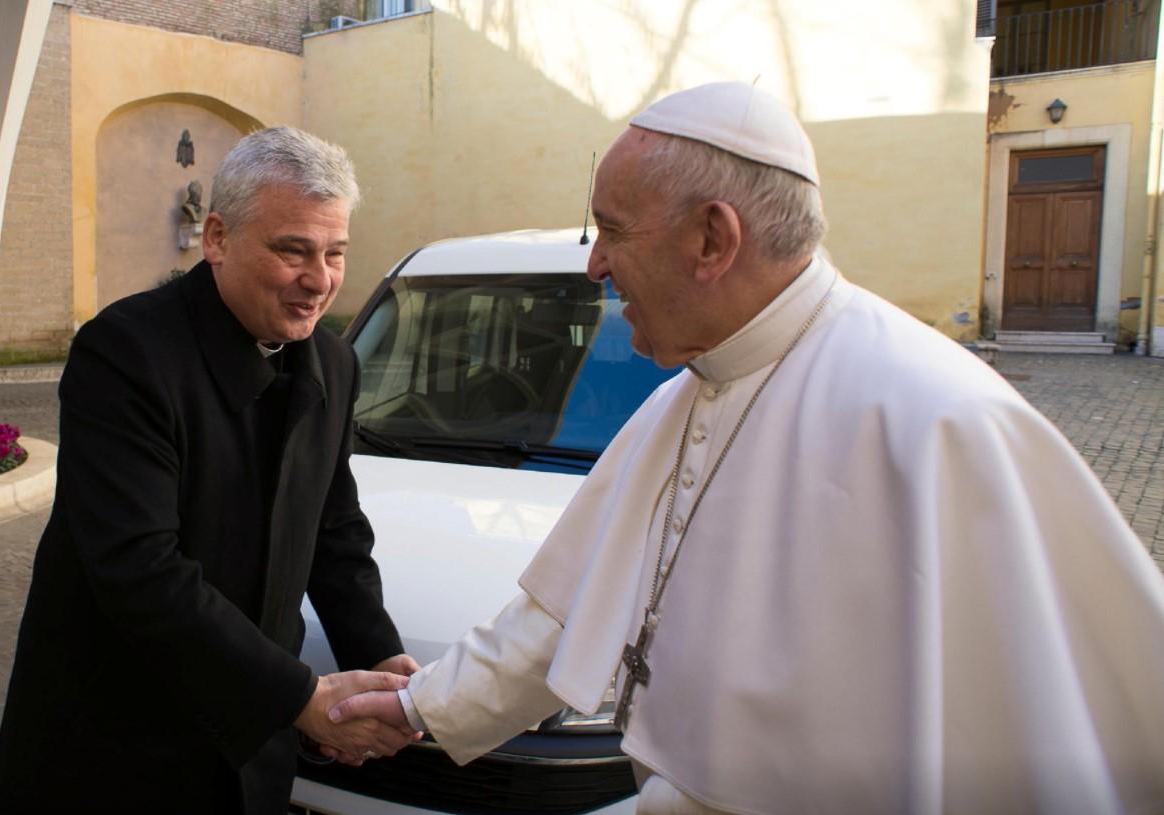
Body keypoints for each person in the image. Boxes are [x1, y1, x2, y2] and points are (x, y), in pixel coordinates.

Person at [328, 83, 1164, 814]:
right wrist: (417, 708)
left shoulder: (937, 418)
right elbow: (559, 616)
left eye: (611, 230)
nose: (596, 265)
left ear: (711, 239)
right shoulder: (678, 401)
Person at [0, 126, 419, 814]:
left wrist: (383, 659)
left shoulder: (334, 363)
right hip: (118, 747)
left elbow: (335, 531)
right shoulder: (125, 352)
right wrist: (299, 695)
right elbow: (138, 567)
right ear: (216, 237)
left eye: (335, 252)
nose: (320, 280)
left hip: (249, 748)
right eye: (293, 250)